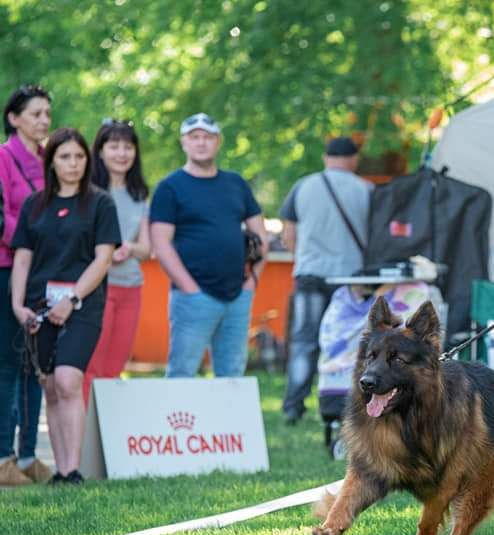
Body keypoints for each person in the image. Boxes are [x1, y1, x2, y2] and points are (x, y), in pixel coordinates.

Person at [10, 128, 121, 484]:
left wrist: (72, 299)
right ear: (51, 161)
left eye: (79, 156)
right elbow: (23, 261)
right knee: (50, 386)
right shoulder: (34, 204)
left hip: (83, 304)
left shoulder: (100, 203)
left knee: (68, 379)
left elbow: (103, 259)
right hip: (38, 306)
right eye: (64, 157)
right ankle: (60, 469)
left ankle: (73, 470)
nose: (73, 164)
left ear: (87, 161)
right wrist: (17, 304)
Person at [150, 113, 268, 378]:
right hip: (192, 298)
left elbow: (260, 236)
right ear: (184, 143)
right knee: (182, 372)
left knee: (232, 374)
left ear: (218, 142)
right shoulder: (170, 187)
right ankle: (178, 422)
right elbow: (161, 243)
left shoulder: (236, 184)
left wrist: (252, 282)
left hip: (237, 295)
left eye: (208, 137)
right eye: (194, 137)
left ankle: (226, 422)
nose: (201, 142)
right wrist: (189, 288)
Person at [280, 136, 372, 424]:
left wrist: (304, 258)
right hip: (350, 279)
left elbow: (288, 234)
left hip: (310, 276)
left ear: (325, 157)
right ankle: (350, 402)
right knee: (351, 343)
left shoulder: (302, 186)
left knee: (304, 341)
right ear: (354, 159)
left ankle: (294, 405)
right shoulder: (367, 190)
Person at [0, 85, 51, 486]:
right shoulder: (3, 158)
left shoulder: (52, 159)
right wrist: (37, 241)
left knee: (36, 367)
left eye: (47, 114)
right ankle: (3, 458)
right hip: (7, 271)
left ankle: (30, 455)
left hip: (45, 276)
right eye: (36, 113)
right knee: (7, 366)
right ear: (14, 118)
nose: (44, 121)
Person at [82, 119, 152, 403]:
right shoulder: (88, 192)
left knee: (114, 368)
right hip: (98, 289)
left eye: (128, 146)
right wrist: (107, 251)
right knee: (91, 368)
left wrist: (129, 248)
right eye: (114, 146)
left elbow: (146, 249)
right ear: (99, 151)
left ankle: (104, 441)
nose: (122, 153)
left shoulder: (141, 195)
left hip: (130, 288)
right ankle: (84, 442)